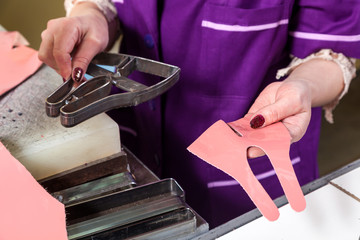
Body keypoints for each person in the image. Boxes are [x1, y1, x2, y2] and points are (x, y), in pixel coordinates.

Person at [39, 0, 360, 228]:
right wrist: (90, 14)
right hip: (135, 147)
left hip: (250, 173)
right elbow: (110, 5)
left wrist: (303, 86)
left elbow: (333, 51)